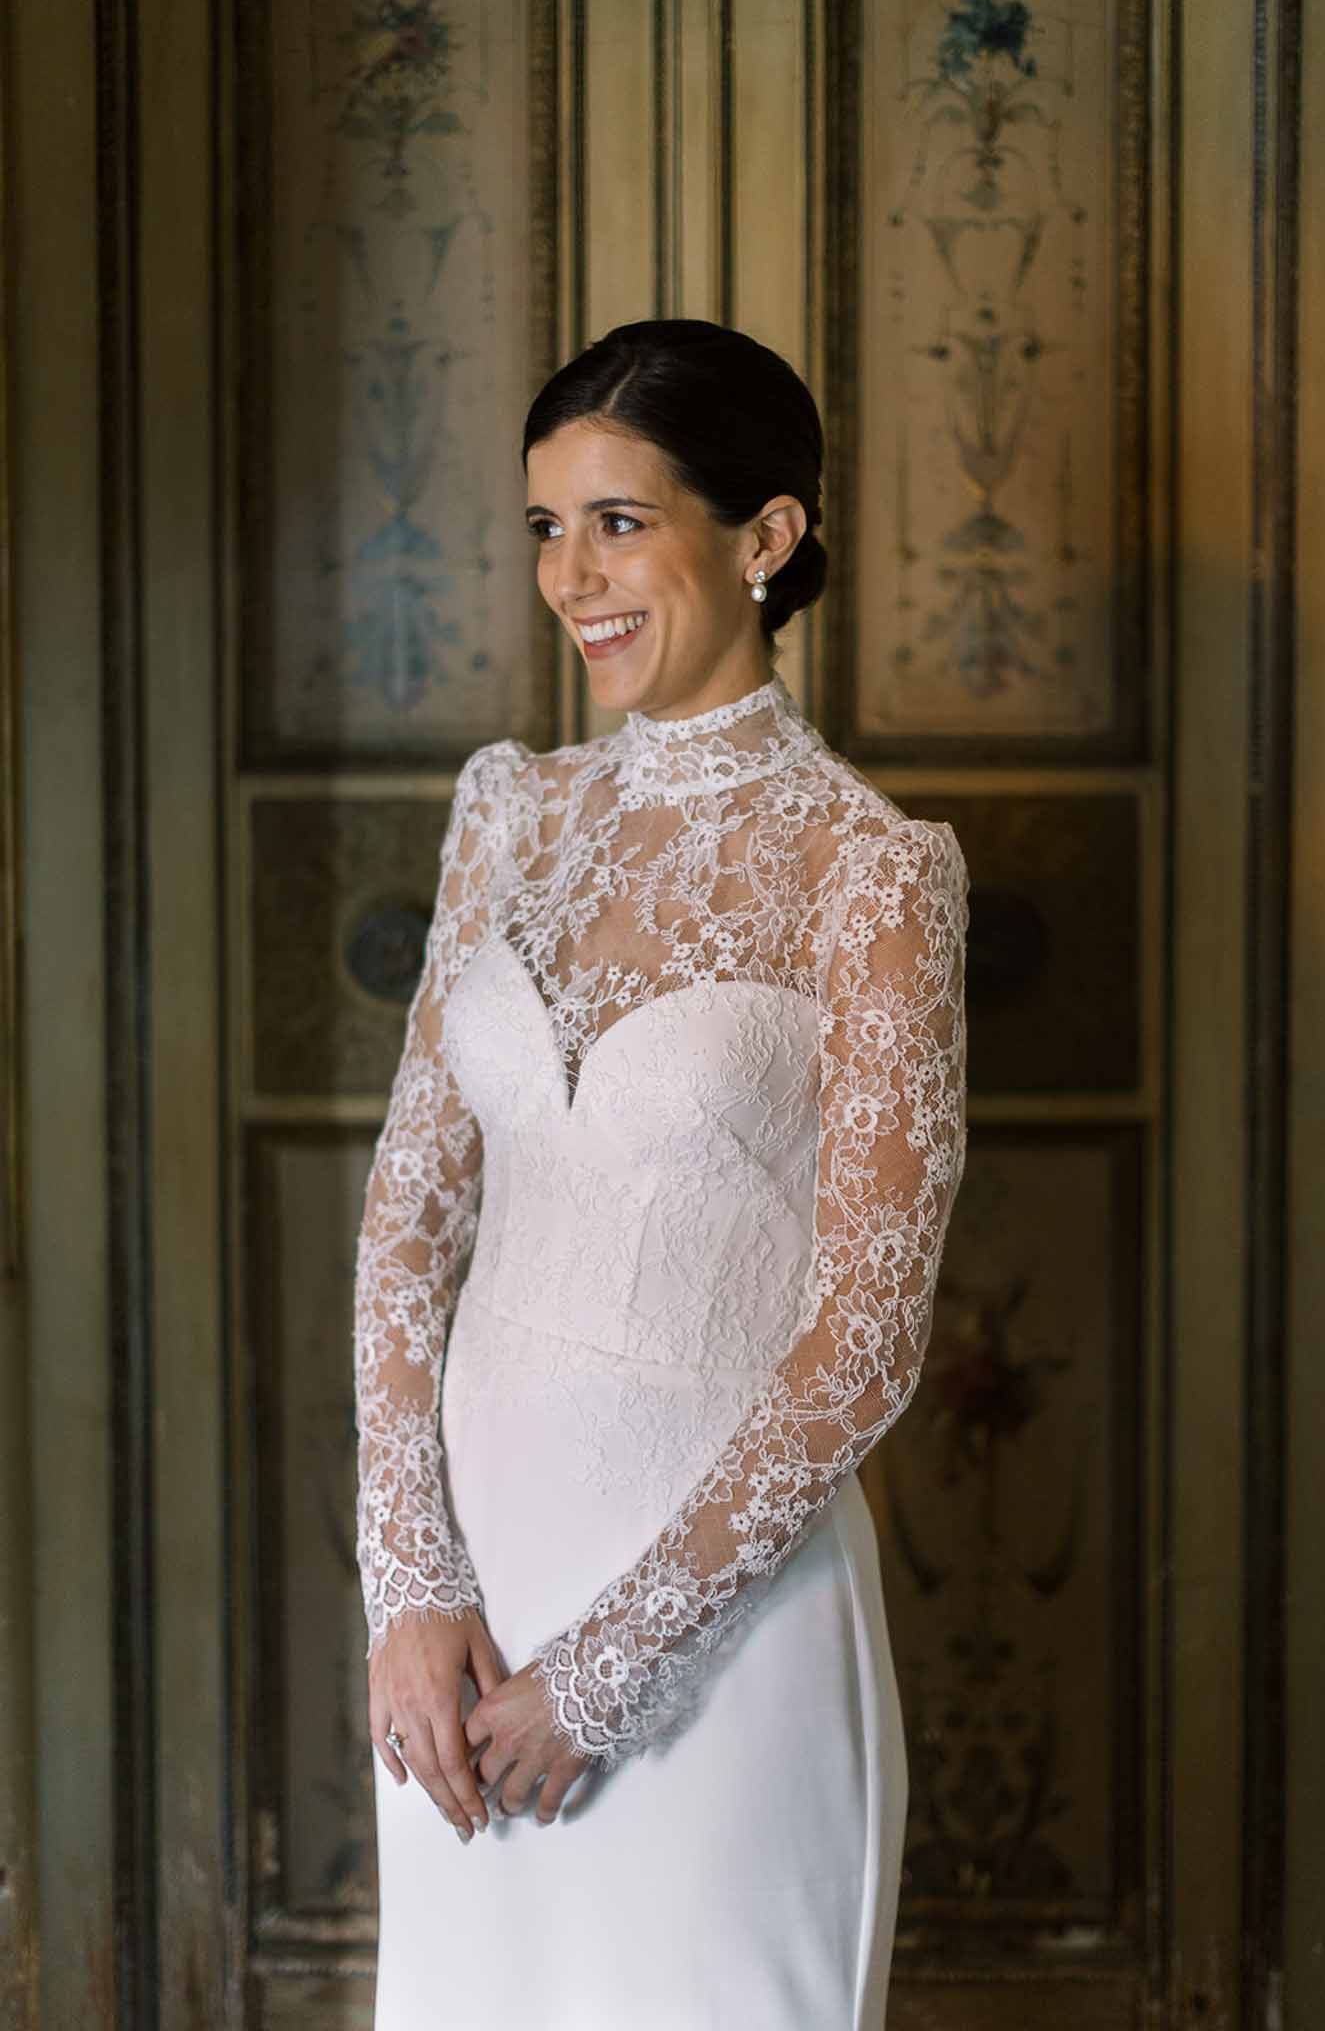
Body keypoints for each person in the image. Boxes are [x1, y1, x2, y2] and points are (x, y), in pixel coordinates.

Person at [352, 317, 969, 2029]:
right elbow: (409, 1216)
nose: (574, 576)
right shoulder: (507, 813)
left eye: (620, 521)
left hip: (714, 1627)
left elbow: (863, 1338)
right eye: (547, 528)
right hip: (469, 1598)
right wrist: (409, 1590)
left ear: (764, 537)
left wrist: (613, 1676)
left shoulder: (874, 871)